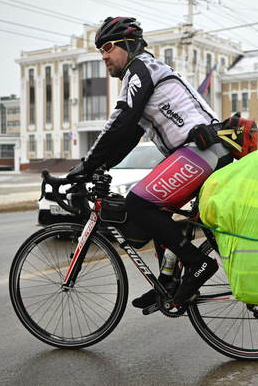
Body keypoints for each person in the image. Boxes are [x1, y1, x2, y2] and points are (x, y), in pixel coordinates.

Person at [67, 16, 233, 308]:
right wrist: (104, 165)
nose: (104, 56)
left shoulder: (140, 69)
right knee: (155, 207)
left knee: (138, 203)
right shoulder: (144, 72)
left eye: (108, 47)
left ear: (129, 45)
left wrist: (87, 164)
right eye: (100, 51)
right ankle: (167, 281)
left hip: (202, 150)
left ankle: (198, 264)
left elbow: (120, 122)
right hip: (202, 152)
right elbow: (131, 133)